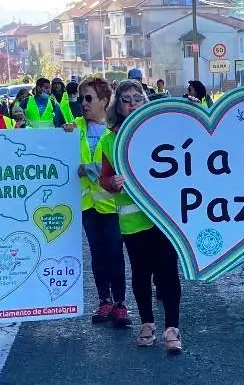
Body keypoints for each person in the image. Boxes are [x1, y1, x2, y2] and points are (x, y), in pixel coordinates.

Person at [99, 80, 183, 353]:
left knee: (168, 271)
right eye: (126, 98)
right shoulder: (110, 139)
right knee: (141, 272)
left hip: (163, 216)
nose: (133, 102)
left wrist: (192, 110)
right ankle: (147, 323)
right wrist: (112, 184)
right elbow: (105, 178)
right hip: (133, 219)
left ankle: (172, 328)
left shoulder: (161, 131)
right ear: (118, 105)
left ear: (145, 102)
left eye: (138, 97)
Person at [75, 77, 130, 327]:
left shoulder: (115, 131)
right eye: (81, 98)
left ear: (104, 101)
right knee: (97, 255)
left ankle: (120, 303)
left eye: (89, 98)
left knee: (115, 254)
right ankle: (104, 301)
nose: (83, 103)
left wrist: (92, 169)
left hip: (111, 204)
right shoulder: (73, 129)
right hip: (88, 205)